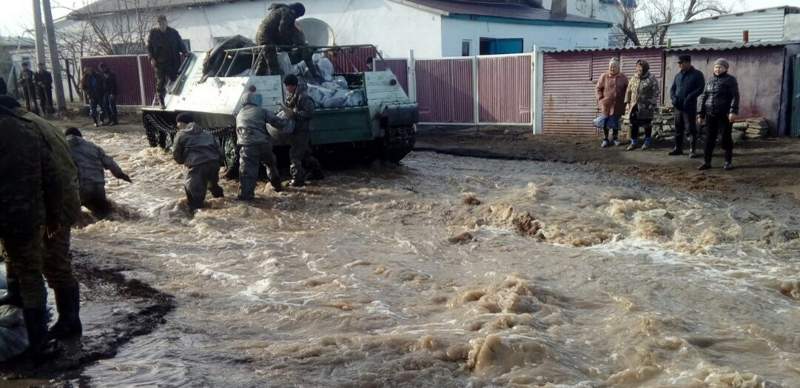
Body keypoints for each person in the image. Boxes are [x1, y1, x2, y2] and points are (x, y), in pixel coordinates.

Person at [0, 96, 83, 341]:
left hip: (53, 202)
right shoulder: (30, 122)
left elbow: (53, 174)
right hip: (47, 200)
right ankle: (18, 297)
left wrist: (53, 216)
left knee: (53, 262)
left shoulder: (27, 127)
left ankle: (69, 321)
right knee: (16, 254)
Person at [0, 103, 63, 358]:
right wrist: (54, 216)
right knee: (30, 274)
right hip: (23, 214)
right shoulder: (28, 129)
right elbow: (52, 175)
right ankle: (39, 343)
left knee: (14, 262)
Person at [65, 127, 132, 218]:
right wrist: (121, 175)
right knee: (106, 216)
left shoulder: (63, 147)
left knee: (72, 217)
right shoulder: (93, 147)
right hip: (98, 187)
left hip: (79, 188)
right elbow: (110, 163)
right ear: (81, 136)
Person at [236, 88, 282, 200]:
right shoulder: (262, 111)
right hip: (263, 144)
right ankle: (277, 186)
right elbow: (278, 122)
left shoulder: (239, 114)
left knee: (247, 172)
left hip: (247, 146)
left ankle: (246, 198)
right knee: (270, 164)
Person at [171, 113, 224, 210]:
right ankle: (222, 204)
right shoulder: (207, 133)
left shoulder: (181, 134)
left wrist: (184, 162)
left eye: (177, 123)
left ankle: (197, 219)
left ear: (182, 123)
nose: (177, 126)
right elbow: (219, 150)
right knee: (213, 185)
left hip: (197, 166)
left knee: (193, 194)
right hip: (213, 163)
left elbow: (176, 153)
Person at [698, 58, 740, 171]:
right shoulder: (710, 80)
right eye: (716, 67)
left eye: (720, 67)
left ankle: (728, 161)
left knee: (726, 138)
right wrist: (700, 114)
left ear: (726, 68)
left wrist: (733, 111)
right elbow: (704, 97)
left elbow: (735, 97)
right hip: (710, 114)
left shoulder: (730, 80)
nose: (717, 69)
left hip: (724, 114)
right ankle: (707, 162)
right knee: (709, 139)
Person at [283, 74, 321, 187]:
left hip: (302, 130)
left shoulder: (303, 97)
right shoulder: (294, 95)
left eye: (287, 86)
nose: (286, 89)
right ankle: (317, 173)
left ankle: (297, 179)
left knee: (295, 155)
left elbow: (310, 112)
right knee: (305, 154)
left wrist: (294, 114)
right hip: (298, 129)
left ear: (292, 86)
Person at [254, 2, 307, 76]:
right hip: (267, 38)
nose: (297, 18)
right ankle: (276, 85)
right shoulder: (288, 13)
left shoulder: (281, 9)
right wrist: (287, 43)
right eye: (298, 15)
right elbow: (282, 29)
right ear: (296, 12)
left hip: (260, 36)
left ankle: (256, 80)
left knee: (263, 63)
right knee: (273, 65)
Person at [147, 15, 187, 109]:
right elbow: (149, 47)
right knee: (160, 82)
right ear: (158, 24)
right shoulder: (153, 33)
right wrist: (151, 58)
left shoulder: (173, 33)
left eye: (164, 23)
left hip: (173, 61)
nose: (162, 25)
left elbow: (180, 43)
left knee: (175, 80)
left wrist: (185, 52)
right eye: (160, 24)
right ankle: (161, 101)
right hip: (159, 62)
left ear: (166, 22)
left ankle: (177, 100)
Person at [669, 54, 705, 157]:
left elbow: (700, 88)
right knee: (678, 128)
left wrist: (690, 97)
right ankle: (678, 148)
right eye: (679, 63)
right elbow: (672, 89)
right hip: (678, 106)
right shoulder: (678, 75)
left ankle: (692, 150)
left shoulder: (697, 74)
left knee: (690, 128)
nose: (679, 65)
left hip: (689, 106)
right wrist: (673, 98)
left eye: (681, 63)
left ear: (687, 62)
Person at [625, 59, 660, 151]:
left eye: (640, 69)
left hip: (647, 107)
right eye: (637, 68)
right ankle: (634, 142)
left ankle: (647, 141)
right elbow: (628, 91)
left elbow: (656, 92)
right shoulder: (634, 78)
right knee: (633, 124)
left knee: (647, 124)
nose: (638, 71)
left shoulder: (651, 78)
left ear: (645, 69)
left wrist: (651, 103)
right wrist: (628, 103)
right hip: (634, 106)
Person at [595, 58, 628, 148]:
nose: (612, 68)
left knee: (615, 121)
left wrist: (626, 101)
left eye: (614, 66)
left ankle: (615, 138)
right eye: (611, 66)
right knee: (605, 122)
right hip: (606, 104)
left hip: (618, 104)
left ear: (618, 67)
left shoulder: (623, 77)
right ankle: (605, 139)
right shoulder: (604, 76)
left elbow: (627, 89)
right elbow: (598, 88)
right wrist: (600, 98)